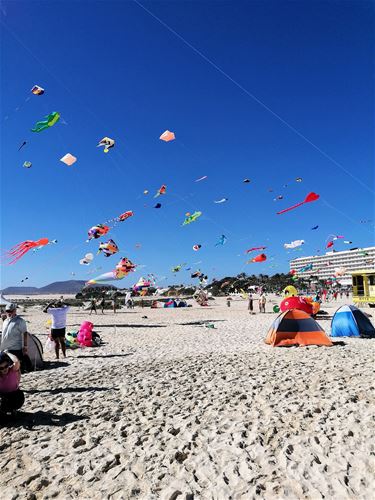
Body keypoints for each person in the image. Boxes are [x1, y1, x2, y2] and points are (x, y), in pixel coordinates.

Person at [0, 303, 32, 373]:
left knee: (15, 368)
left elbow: (25, 333)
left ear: (15, 310)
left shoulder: (20, 321)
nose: (9, 313)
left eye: (11, 311)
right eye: (7, 311)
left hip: (15, 348)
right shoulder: (5, 321)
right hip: (5, 348)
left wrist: (25, 346)